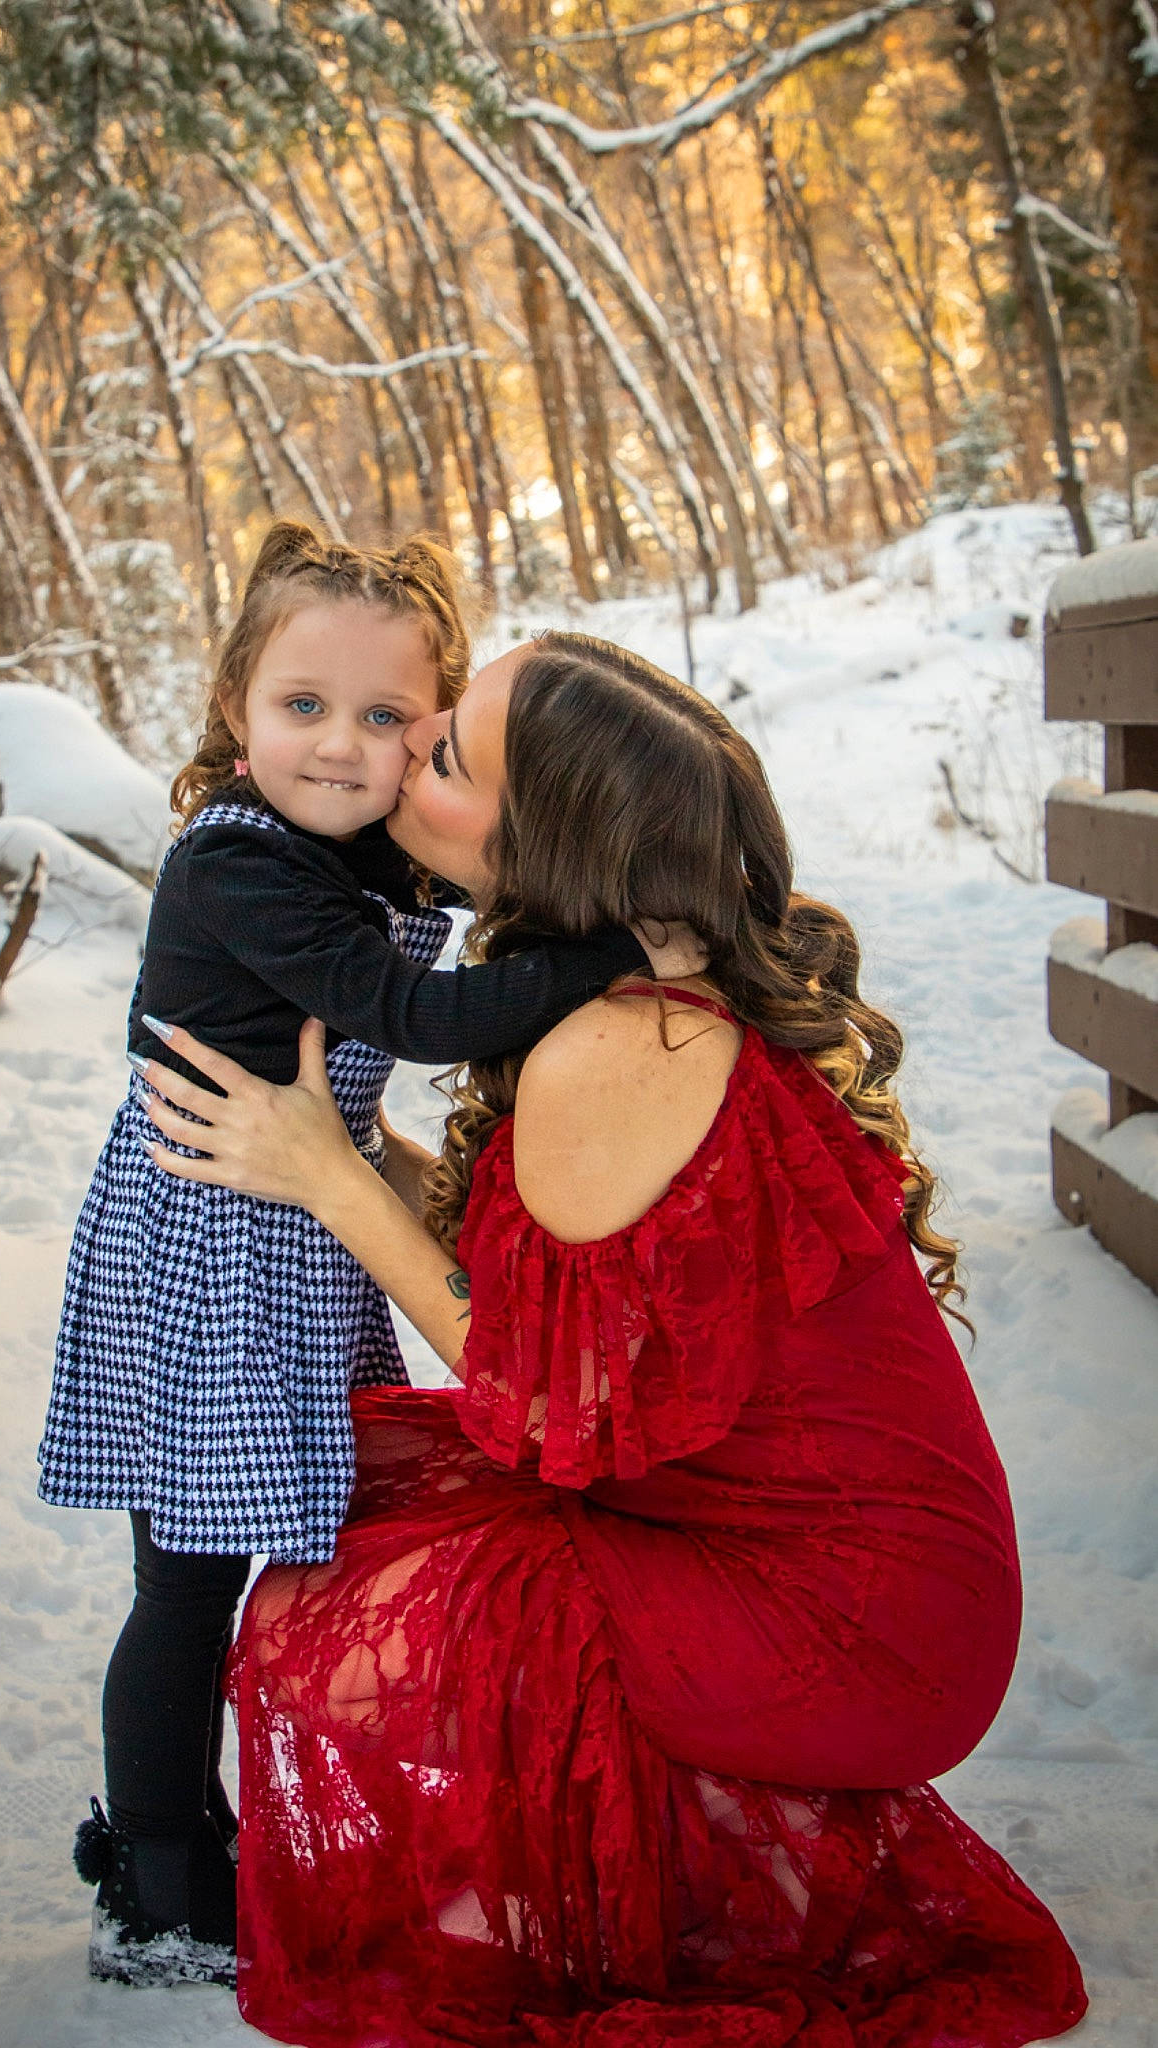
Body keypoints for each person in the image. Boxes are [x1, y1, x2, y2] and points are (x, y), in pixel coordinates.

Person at [137, 632, 1087, 2046]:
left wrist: (328, 1181)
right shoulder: (635, 990)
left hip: (851, 1623)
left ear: (542, 844)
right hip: (792, 1550)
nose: (404, 745)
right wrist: (361, 1143)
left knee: (343, 1606)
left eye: (447, 752)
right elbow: (575, 1307)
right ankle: (662, 1833)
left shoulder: (624, 1045)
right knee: (366, 1492)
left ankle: (648, 1855)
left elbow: (533, 1401)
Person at [38, 539, 651, 1990]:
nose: (339, 746)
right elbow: (413, 1011)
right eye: (302, 705)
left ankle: (205, 1829)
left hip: (288, 1232)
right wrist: (617, 952)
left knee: (255, 1555)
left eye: (386, 718)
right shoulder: (238, 863)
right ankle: (157, 1881)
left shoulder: (367, 847)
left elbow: (472, 898)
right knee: (187, 1582)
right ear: (235, 705)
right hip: (207, 1247)